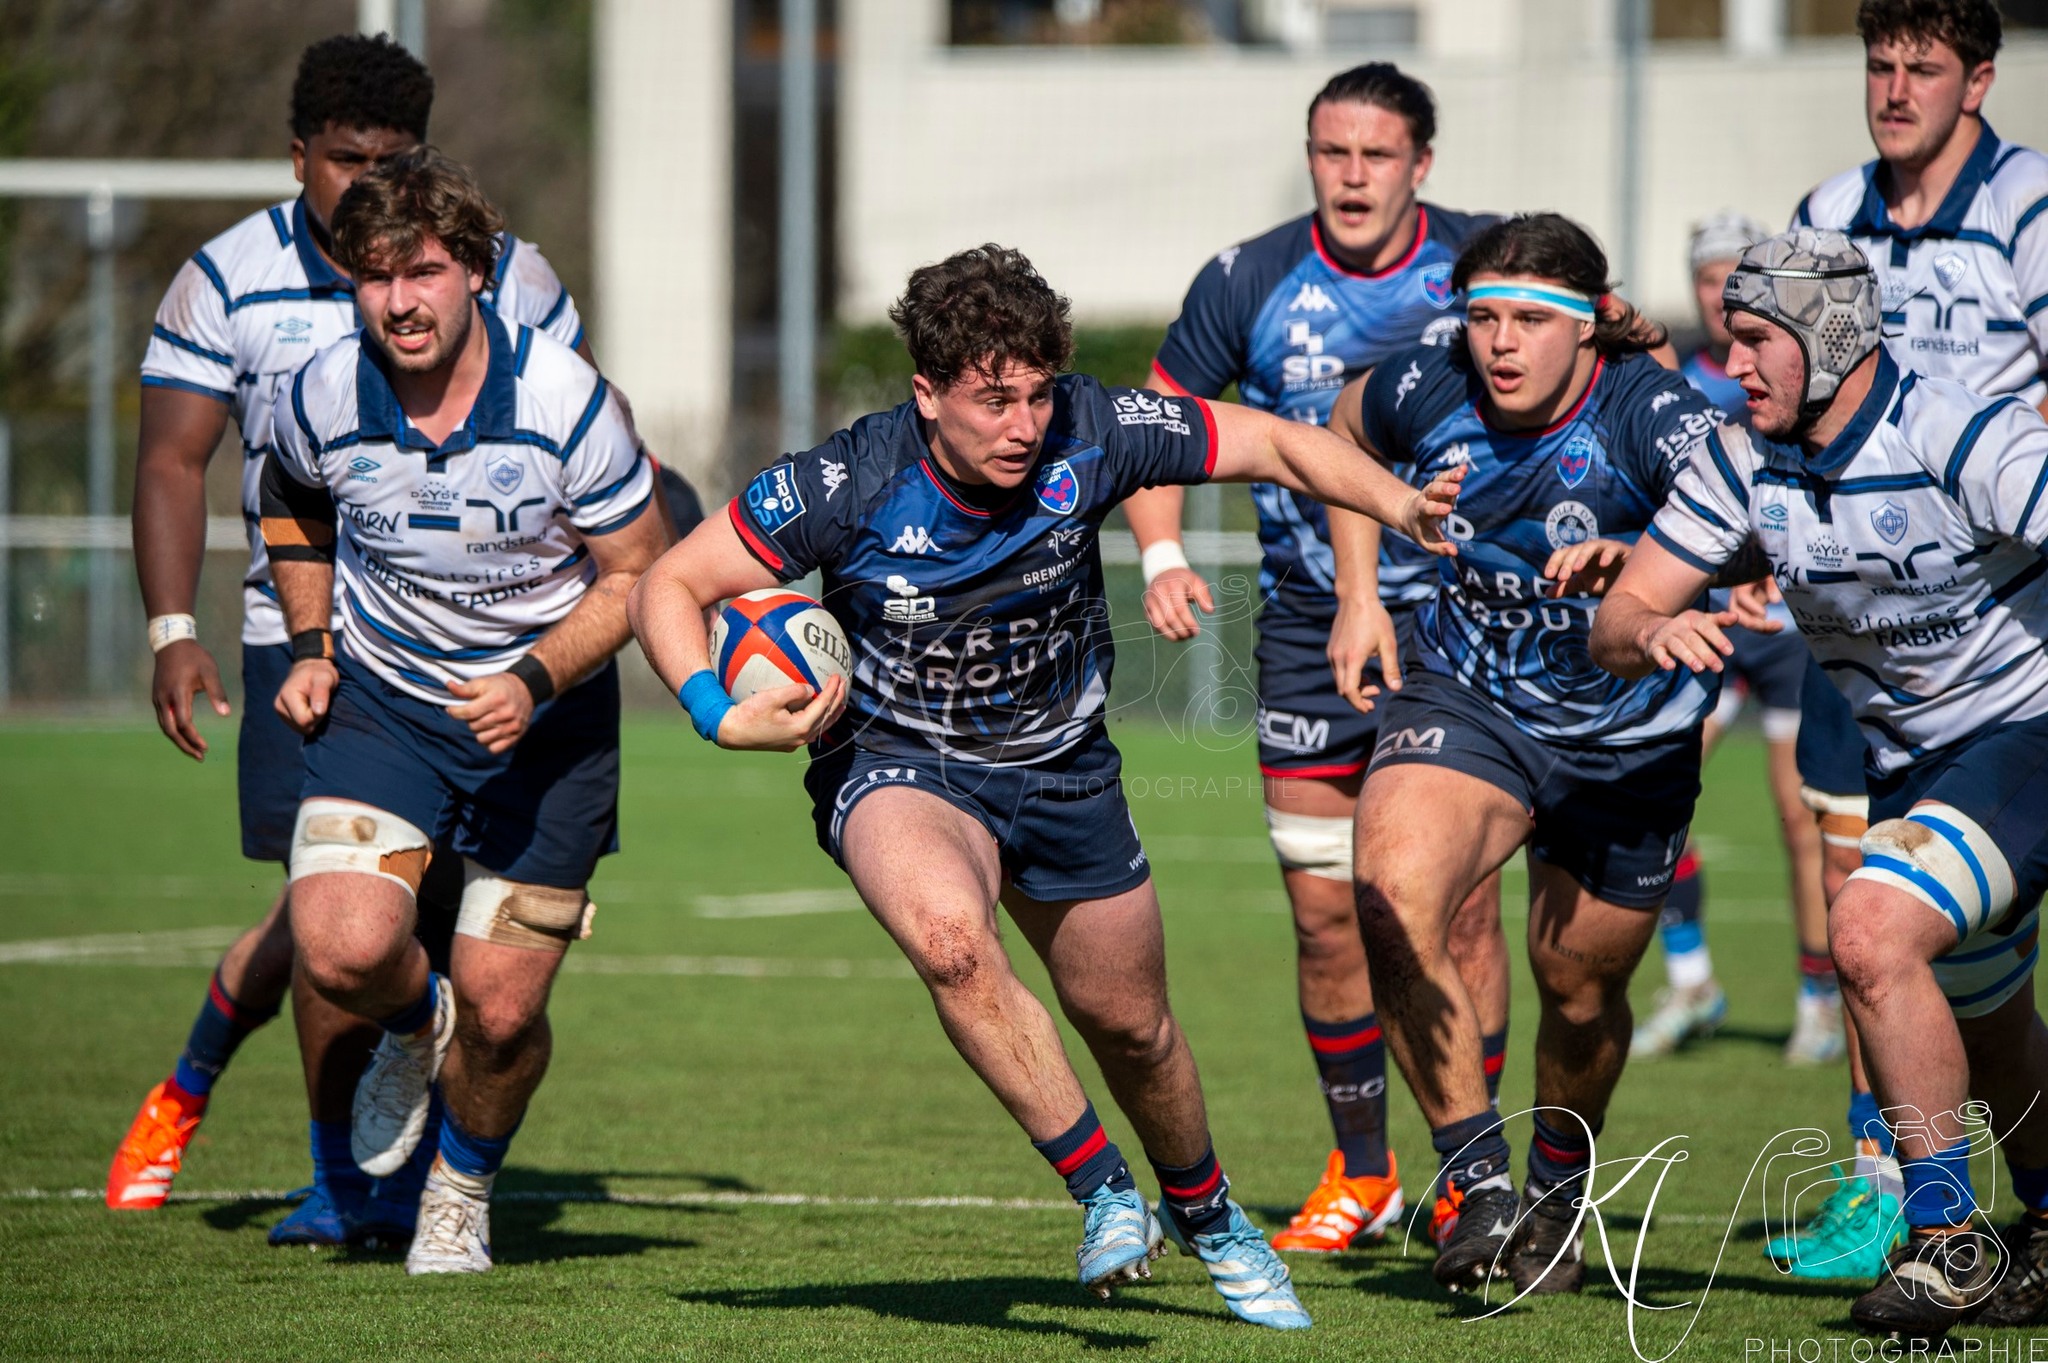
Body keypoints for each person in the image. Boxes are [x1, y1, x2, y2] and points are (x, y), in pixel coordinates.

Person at [629, 244, 1464, 1330]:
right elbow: (672, 582)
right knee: (949, 939)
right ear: (926, 393)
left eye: (1033, 394)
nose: (1022, 423)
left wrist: (1399, 505)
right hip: (899, 761)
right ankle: (1102, 1189)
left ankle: (1208, 1216)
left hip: (1065, 770)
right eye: (992, 400)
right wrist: (711, 706)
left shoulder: (1092, 426)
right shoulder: (848, 481)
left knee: (1135, 1029)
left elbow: (1271, 443)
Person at [115, 34, 617, 1244]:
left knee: (460, 955)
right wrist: (185, 626)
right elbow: (187, 461)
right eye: (344, 161)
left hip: (507, 661)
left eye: (393, 161)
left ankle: (436, 1166)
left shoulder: (524, 300)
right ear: (300, 159)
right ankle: (341, 1176)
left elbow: (576, 482)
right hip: (316, 643)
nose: (363, 187)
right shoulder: (228, 279)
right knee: (330, 923)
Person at [1592, 226, 2048, 1337]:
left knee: (1867, 933)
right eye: (1722, 338)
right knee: (1986, 1028)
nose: (1731, 363)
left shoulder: (1959, 430)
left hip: (2027, 730)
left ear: (1829, 339)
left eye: (1753, 339)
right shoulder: (1739, 457)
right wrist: (1655, 629)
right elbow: (1617, 616)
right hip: (1912, 763)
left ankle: (1945, 1245)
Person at [1122, 61, 1511, 1253]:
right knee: (1323, 915)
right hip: (1303, 625)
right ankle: (1362, 1170)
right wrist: (1160, 557)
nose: (1349, 177)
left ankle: (1474, 1166)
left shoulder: (1483, 267)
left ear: (1420, 166)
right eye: (1329, 153)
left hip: (1461, 620)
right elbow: (1159, 420)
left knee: (1456, 912)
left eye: (1374, 156)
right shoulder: (1247, 278)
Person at [259, 149, 666, 1276]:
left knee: (501, 1014)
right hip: (386, 705)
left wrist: (532, 678)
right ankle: (409, 1018)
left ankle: (460, 1188)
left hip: (548, 733)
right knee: (341, 947)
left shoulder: (561, 401)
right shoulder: (322, 393)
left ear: (476, 271)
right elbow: (288, 500)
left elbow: (642, 573)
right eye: (374, 276)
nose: (400, 301)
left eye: (425, 271)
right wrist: (309, 643)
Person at [1324, 213, 1728, 1299]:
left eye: (1529, 321)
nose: (1499, 343)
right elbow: (1343, 429)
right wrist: (1360, 592)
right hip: (1471, 697)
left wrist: (1647, 565)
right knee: (1385, 893)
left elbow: (1744, 519)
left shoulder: (1651, 412)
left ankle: (1554, 1195)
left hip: (1627, 737)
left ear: (1590, 327)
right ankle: (1479, 1188)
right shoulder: (1426, 383)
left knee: (1578, 990)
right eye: (1483, 316)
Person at [1768, 0, 2048, 1278]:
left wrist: (1972, 468)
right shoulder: (1828, 213)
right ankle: (1884, 1187)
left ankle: (1941, 1214)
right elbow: (1781, 380)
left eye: (1919, 68)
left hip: (2006, 625)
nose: (1891, 89)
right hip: (1871, 628)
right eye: (1875, 65)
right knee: (1908, 945)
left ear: (1976, 80)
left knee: (1897, 933)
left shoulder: (2027, 207)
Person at [1631, 212, 1838, 1068]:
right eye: (1705, 279)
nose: (1718, 294)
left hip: (1788, 632)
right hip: (1710, 621)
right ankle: (1691, 980)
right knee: (1652, 795)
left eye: (1732, 278)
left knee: (1802, 822)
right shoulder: (1676, 379)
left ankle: (1819, 998)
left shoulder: (1791, 375)